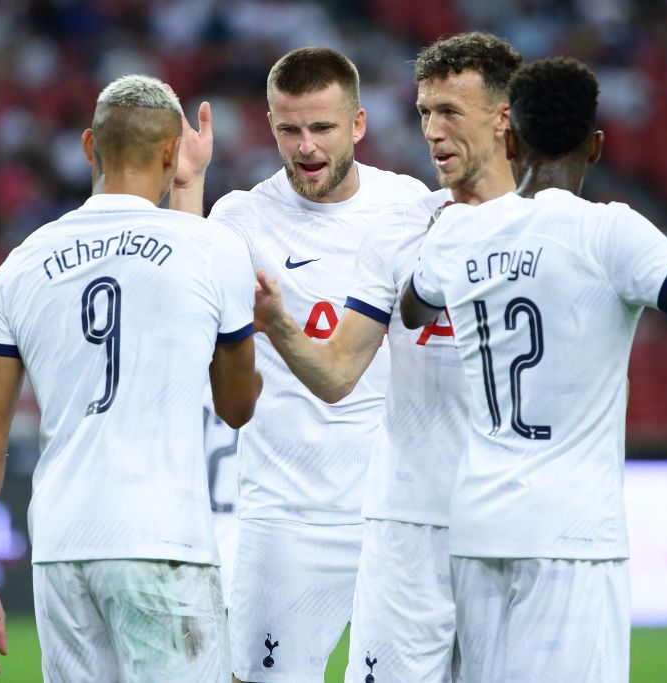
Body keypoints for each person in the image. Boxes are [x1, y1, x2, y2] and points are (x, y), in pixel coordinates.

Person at [400, 57, 667, 682]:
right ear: (596, 147)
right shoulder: (607, 231)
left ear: (509, 138)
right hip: (572, 535)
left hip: (477, 528)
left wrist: (448, 234)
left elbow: (413, 306)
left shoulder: (459, 232)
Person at [0, 74, 260, 682]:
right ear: (173, 153)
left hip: (63, 547)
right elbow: (236, 407)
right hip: (163, 541)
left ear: (90, 146)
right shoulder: (212, 249)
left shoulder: (22, 262)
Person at [251, 33, 521, 683]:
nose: (433, 129)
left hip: (510, 522)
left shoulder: (561, 230)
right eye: (425, 111)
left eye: (450, 111)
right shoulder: (402, 225)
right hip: (404, 525)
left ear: (502, 116)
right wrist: (282, 327)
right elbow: (339, 372)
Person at [174, 46, 430, 683]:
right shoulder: (242, 217)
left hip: (390, 515)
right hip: (283, 519)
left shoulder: (411, 207)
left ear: (359, 125)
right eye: (290, 129)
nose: (306, 146)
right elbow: (183, 297)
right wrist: (185, 187)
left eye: (322, 127)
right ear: (270, 126)